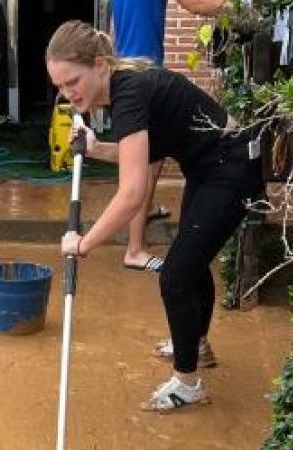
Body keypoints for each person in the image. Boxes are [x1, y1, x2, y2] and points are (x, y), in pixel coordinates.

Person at [47, 20, 262, 411]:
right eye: (60, 87)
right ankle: (196, 345)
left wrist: (84, 243)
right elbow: (140, 153)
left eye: (72, 81)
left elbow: (132, 194)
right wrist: (95, 149)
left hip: (231, 169)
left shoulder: (129, 94)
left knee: (176, 275)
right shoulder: (125, 89)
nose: (67, 93)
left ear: (99, 65)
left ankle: (187, 383)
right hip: (212, 166)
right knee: (190, 264)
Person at [109, 0, 172, 273]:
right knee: (147, 163)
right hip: (144, 73)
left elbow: (113, 28)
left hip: (127, 68)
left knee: (150, 159)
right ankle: (135, 250)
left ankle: (146, 210)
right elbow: (196, 3)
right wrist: (237, 10)